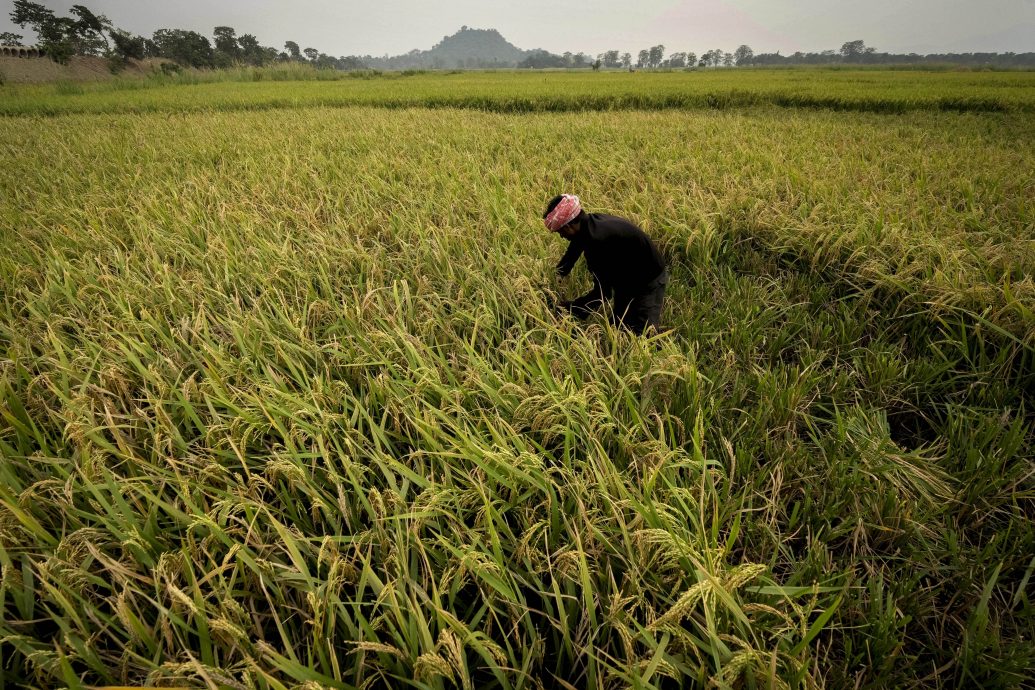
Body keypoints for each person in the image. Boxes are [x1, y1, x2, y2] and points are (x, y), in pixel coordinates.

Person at [544, 194, 668, 334]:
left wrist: (572, 309)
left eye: (560, 232)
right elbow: (574, 249)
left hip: (648, 279)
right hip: (628, 275)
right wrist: (558, 273)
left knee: (643, 333)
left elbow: (603, 293)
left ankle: (665, 345)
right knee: (618, 326)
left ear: (568, 226)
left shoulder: (598, 242)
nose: (561, 236)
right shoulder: (589, 224)